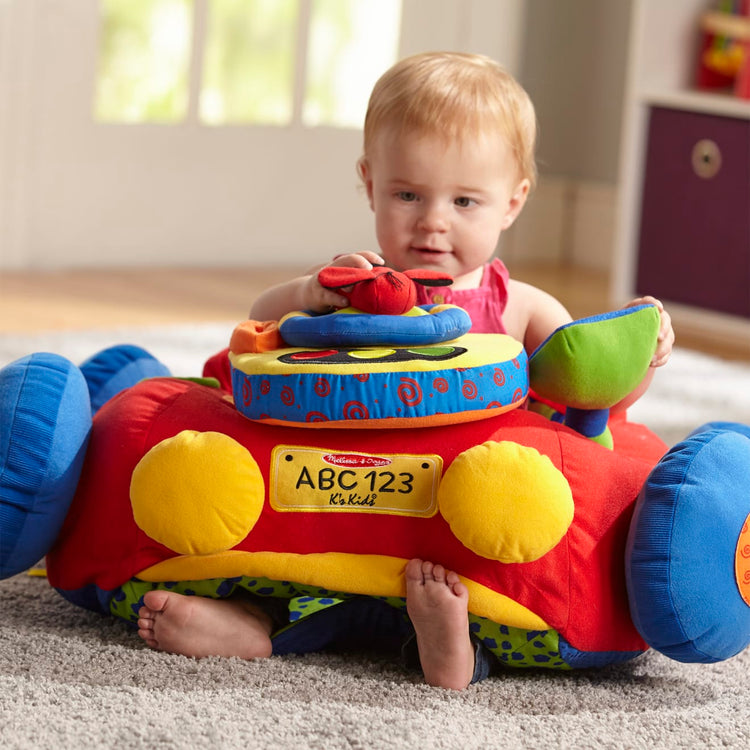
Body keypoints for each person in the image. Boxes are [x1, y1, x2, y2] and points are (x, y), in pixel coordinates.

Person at [138, 51, 674, 690]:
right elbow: (259, 325)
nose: (433, 220)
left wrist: (643, 348)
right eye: (408, 194)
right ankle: (253, 624)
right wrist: (311, 291)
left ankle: (452, 647)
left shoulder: (522, 307)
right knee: (308, 568)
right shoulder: (357, 287)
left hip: (456, 519)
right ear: (370, 183)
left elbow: (587, 388)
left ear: (513, 200)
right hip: (356, 497)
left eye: (465, 200)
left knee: (494, 581)